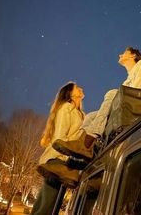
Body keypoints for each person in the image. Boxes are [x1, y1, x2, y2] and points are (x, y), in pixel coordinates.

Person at [52, 47, 141, 161]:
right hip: (127, 107)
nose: (120, 55)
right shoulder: (128, 78)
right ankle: (79, 157)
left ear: (133, 56)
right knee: (91, 117)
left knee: (112, 93)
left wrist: (117, 98)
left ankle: (88, 142)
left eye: (124, 53)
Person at [31, 82, 85, 215]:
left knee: (46, 203)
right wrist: (68, 155)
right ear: (70, 94)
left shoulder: (80, 113)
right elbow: (60, 138)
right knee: (48, 206)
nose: (81, 89)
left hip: (65, 161)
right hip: (58, 159)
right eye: (77, 88)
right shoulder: (66, 108)